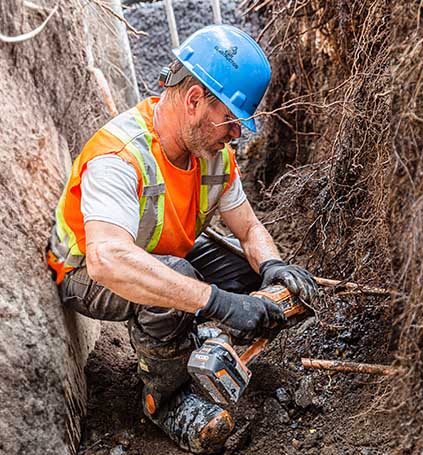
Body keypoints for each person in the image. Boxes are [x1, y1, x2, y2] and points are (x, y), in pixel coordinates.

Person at [47, 24, 317, 454]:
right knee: (174, 284)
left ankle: (196, 339)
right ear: (194, 100)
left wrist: (272, 267)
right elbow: (108, 260)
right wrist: (215, 302)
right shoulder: (119, 156)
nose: (237, 134)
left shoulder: (213, 156)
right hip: (85, 270)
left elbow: (248, 229)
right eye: (230, 120)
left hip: (165, 252)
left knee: (246, 282)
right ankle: (165, 400)